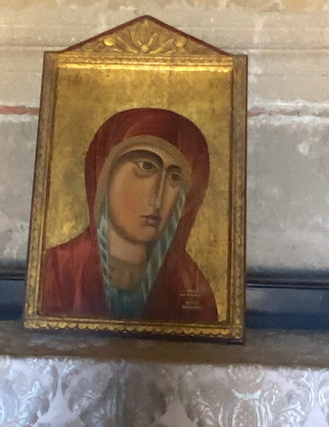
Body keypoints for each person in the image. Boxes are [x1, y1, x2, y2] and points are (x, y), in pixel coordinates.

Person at [39, 107, 218, 323]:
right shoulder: (54, 271)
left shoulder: (189, 283)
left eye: (174, 178)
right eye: (146, 166)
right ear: (103, 173)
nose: (158, 199)